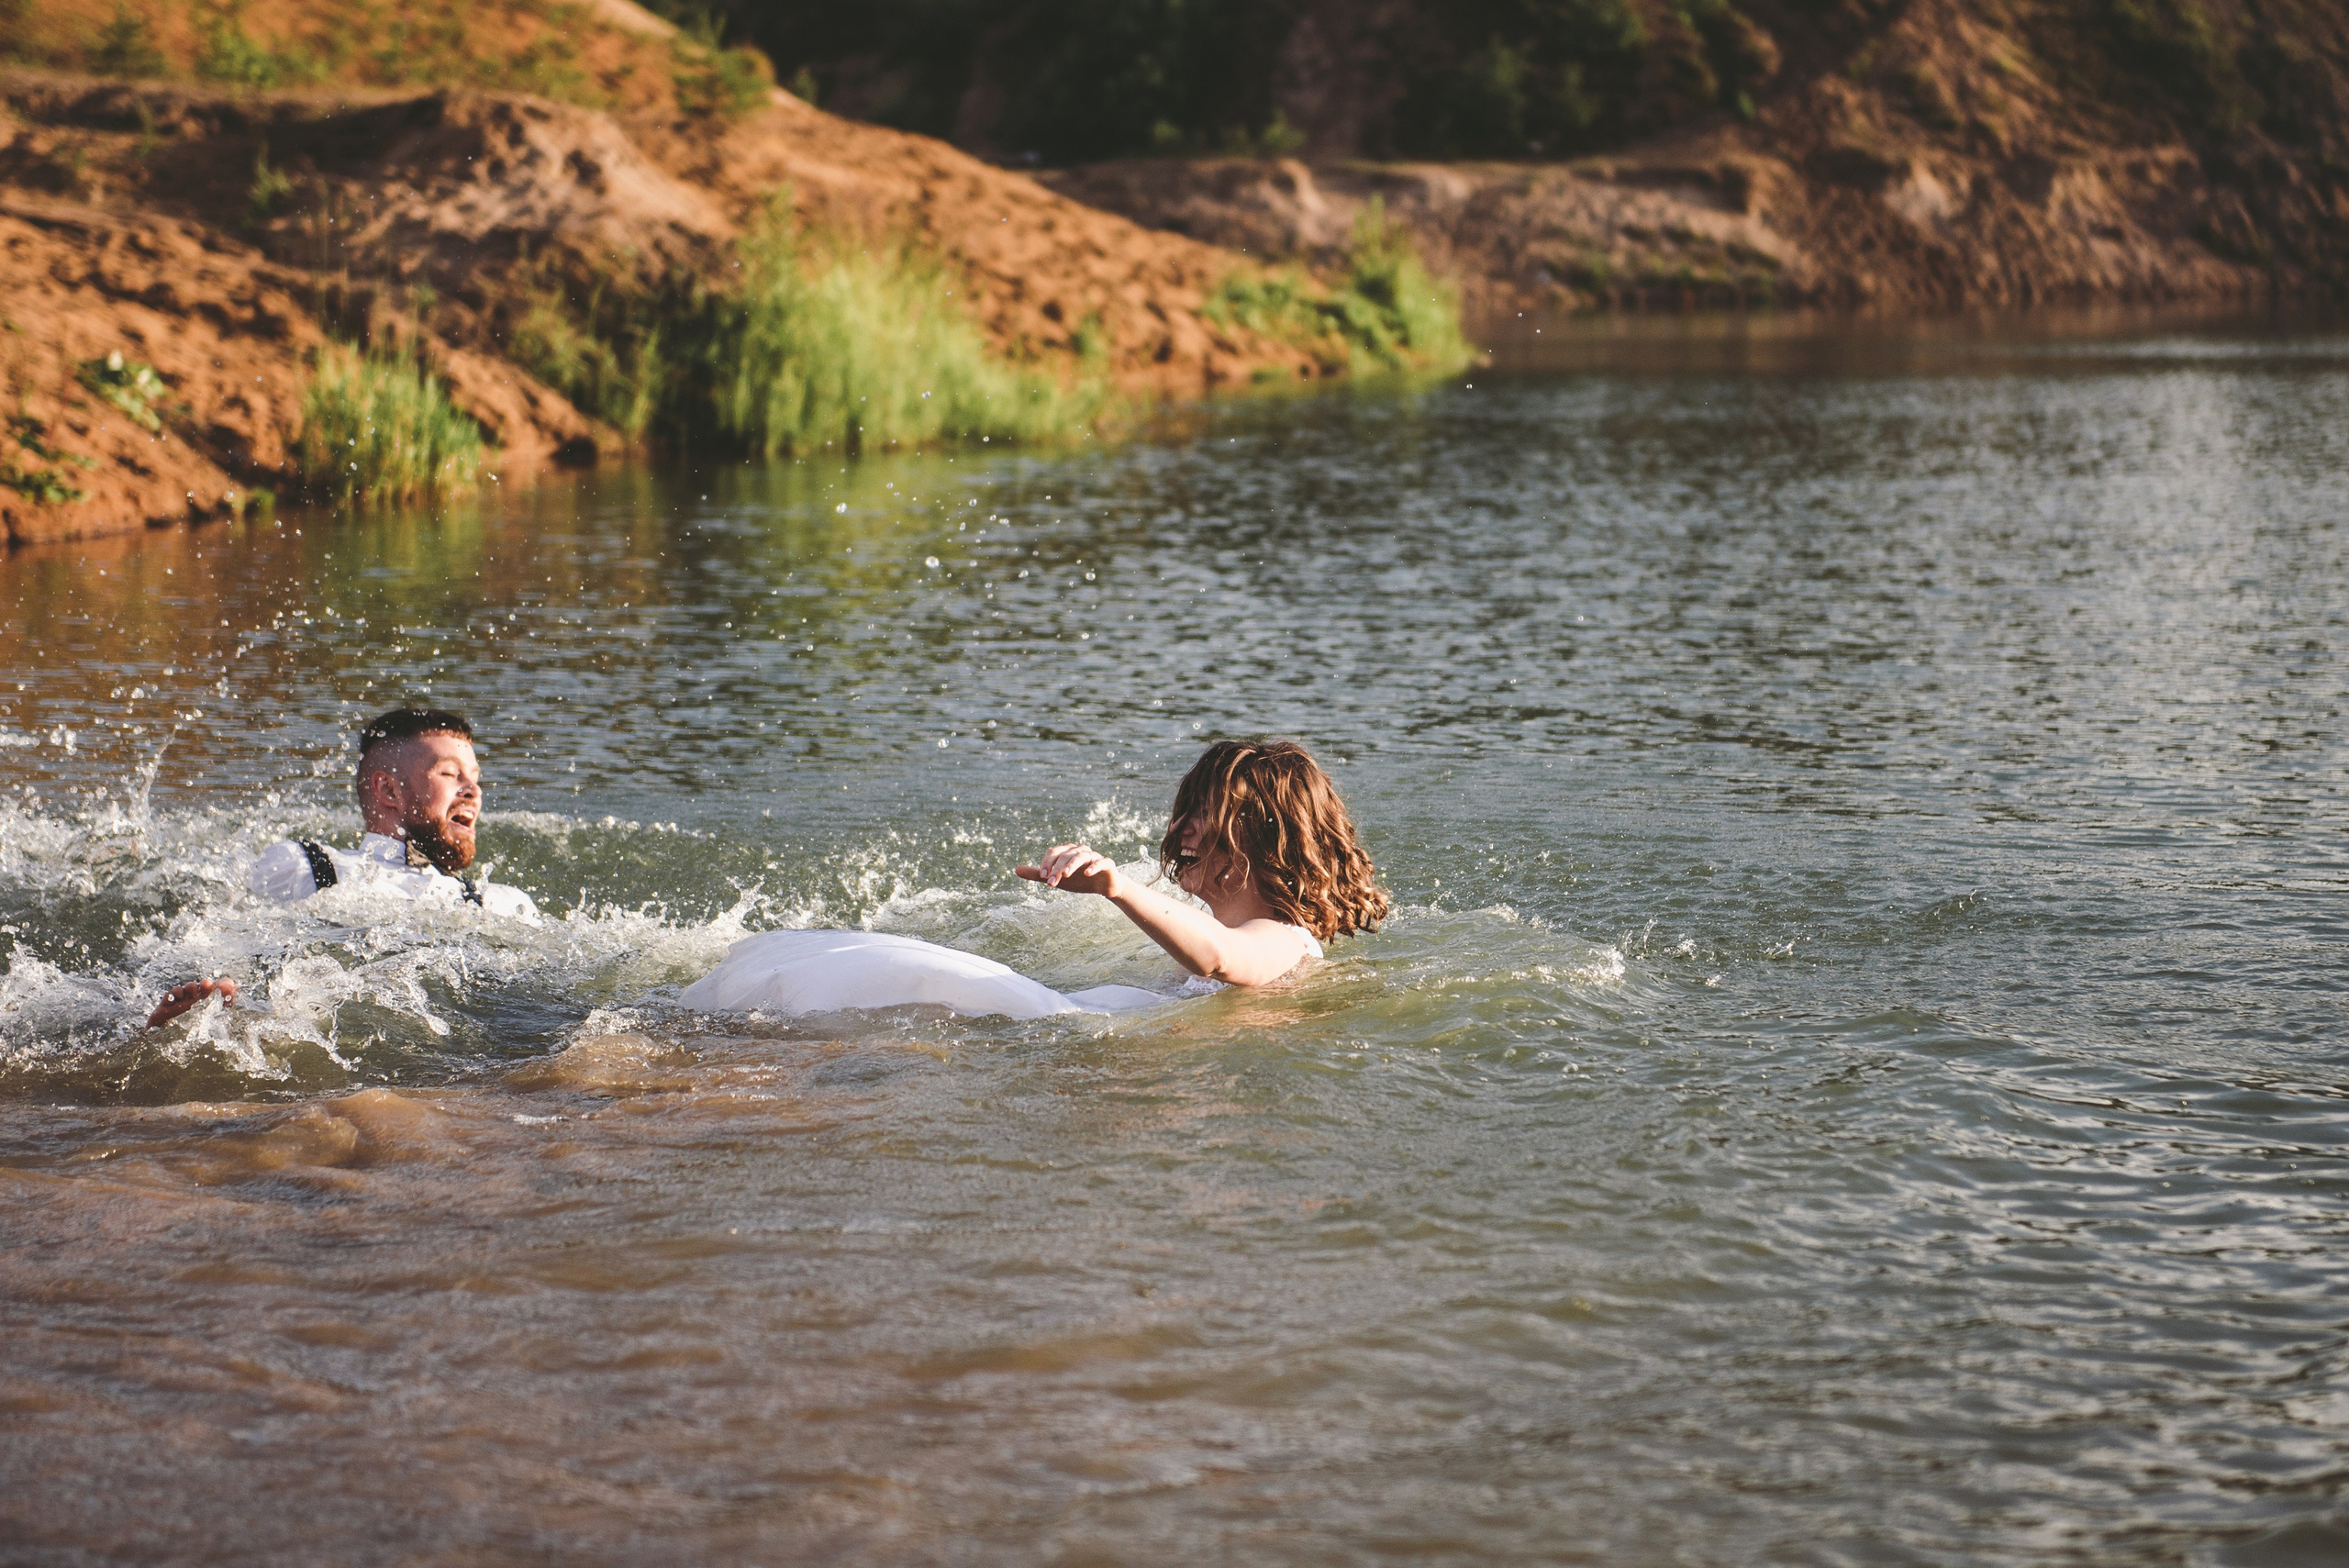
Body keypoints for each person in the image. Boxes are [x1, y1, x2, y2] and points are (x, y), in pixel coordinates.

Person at [682, 738, 1388, 1019]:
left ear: (1263, 837)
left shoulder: (1286, 941)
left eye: (1208, 813)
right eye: (1189, 810)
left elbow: (1224, 959)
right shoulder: (1247, 930)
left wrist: (1119, 887)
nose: (1184, 829)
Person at [143, 707, 539, 1029]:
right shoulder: (306, 867)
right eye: (451, 774)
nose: (472, 790)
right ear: (388, 791)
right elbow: (223, 938)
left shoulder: (498, 904)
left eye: (475, 778)